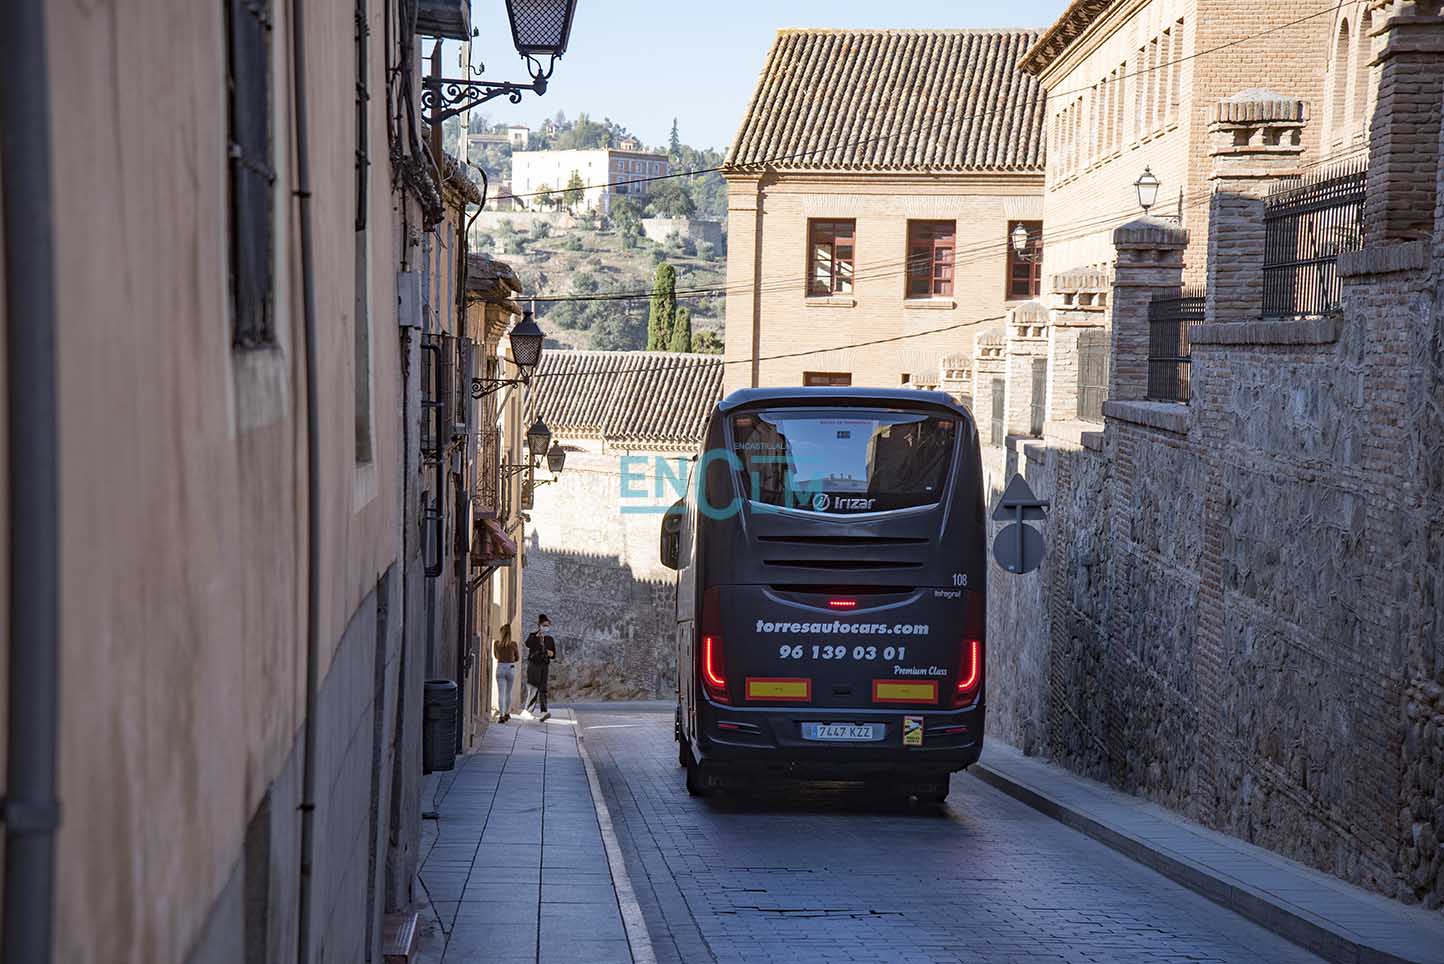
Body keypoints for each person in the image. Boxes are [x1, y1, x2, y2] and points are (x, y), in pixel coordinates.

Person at [523, 613, 557, 722]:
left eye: (548, 625)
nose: (546, 627)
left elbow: (553, 654)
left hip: (544, 665)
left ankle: (543, 711)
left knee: (543, 688)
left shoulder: (550, 639)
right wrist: (536, 637)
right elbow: (528, 644)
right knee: (533, 688)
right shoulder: (533, 636)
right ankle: (527, 711)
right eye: (544, 625)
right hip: (534, 664)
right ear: (539, 625)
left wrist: (547, 651)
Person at [492, 624, 519, 723]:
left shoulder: (496, 644)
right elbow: (517, 658)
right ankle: (507, 713)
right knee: (508, 692)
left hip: (500, 667)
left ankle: (501, 715)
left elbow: (496, 656)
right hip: (510, 667)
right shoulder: (514, 644)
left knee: (501, 693)